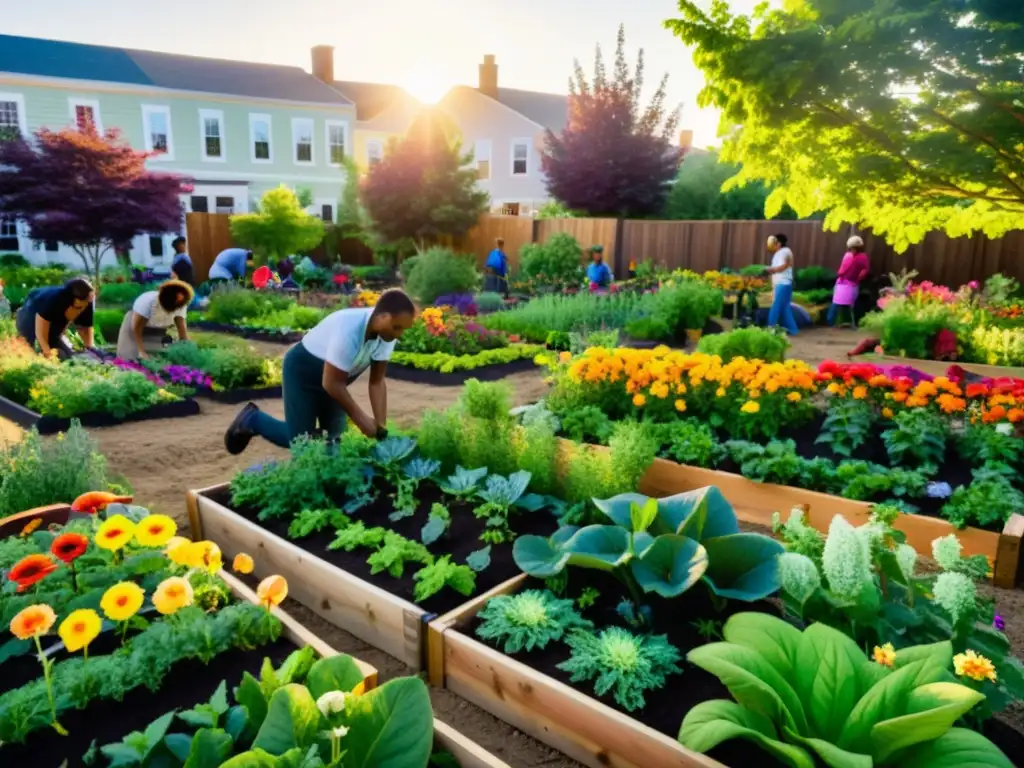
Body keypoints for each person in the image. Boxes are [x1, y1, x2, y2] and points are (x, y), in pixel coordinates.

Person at [224, 288, 417, 453]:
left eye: (402, 329)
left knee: (334, 442)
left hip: (335, 382)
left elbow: (376, 382)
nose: (399, 335)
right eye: (397, 327)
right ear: (382, 316)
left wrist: (381, 427)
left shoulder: (387, 336)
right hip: (303, 374)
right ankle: (253, 420)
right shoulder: (349, 329)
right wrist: (362, 420)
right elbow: (332, 383)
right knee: (300, 443)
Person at [15, 277, 96, 359]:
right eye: (78, 307)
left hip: (53, 321)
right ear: (68, 300)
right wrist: (47, 353)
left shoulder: (87, 301)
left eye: (84, 306)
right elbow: (41, 331)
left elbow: (85, 328)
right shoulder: (53, 301)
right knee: (28, 350)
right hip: (30, 314)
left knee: (68, 356)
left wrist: (91, 351)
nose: (81, 310)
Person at [116, 280, 194, 360]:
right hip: (134, 327)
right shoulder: (148, 302)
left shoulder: (181, 305)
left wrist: (186, 349)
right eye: (177, 299)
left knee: (157, 357)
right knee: (130, 356)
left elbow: (182, 331)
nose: (178, 301)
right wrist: (140, 351)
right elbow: (136, 328)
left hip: (156, 330)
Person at [828, 235, 870, 329]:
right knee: (850, 305)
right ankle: (854, 323)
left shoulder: (850, 256)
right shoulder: (862, 257)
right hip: (851, 284)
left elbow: (842, 271)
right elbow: (865, 269)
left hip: (845, 284)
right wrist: (859, 276)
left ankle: (832, 322)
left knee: (837, 304)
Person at [763, 233, 799, 336]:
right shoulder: (778, 253)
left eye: (774, 242)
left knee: (776, 306)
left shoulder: (785, 251)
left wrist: (771, 269)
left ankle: (770, 328)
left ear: (779, 243)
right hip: (783, 284)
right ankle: (793, 330)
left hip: (783, 283)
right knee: (784, 308)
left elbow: (786, 265)